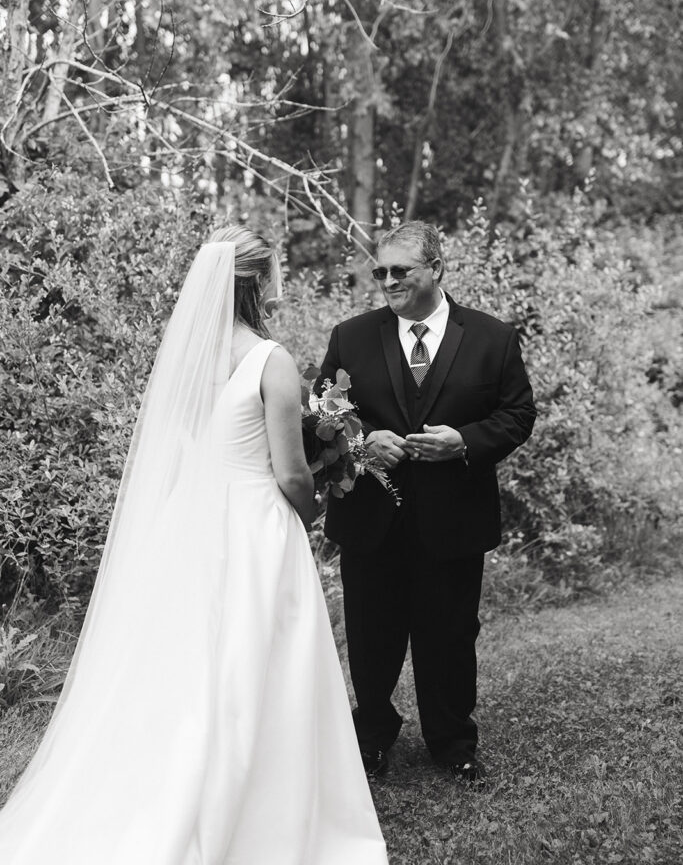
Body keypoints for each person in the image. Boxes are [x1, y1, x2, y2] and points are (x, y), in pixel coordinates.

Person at [0, 226, 388, 865]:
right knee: (262, 662)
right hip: (256, 523)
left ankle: (174, 785)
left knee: (191, 667)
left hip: (193, 524)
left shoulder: (186, 359)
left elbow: (181, 450)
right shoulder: (271, 359)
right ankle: (263, 812)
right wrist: (315, 506)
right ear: (260, 282)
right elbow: (290, 471)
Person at [316, 220, 536, 784]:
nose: (387, 281)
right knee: (371, 635)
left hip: (454, 517)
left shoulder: (493, 337)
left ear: (435, 269)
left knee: (450, 634)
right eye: (380, 272)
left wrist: (465, 442)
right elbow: (322, 414)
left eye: (400, 271)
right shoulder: (351, 336)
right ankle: (371, 740)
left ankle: (453, 741)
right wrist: (364, 443)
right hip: (371, 517)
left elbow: (517, 416)